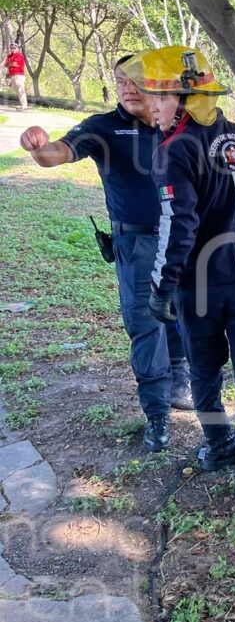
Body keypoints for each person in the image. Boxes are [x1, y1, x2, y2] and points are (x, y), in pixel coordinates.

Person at [123, 45, 235, 497]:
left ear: (186, 98)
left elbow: (178, 225)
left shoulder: (174, 150)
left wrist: (161, 286)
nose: (152, 106)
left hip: (199, 288)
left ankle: (217, 445)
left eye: (160, 96)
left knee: (204, 367)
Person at [18, 53, 193, 453]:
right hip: (137, 244)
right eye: (120, 81)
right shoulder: (104, 127)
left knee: (183, 312)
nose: (128, 89)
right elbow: (55, 154)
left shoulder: (182, 124)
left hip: (184, 240)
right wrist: (37, 144)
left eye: (137, 81)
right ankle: (157, 415)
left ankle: (181, 383)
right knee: (146, 325)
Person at [4, 43, 28, 111]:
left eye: (14, 48)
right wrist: (11, 64)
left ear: (17, 49)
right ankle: (22, 104)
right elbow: (6, 64)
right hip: (12, 75)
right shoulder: (9, 56)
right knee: (17, 90)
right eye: (11, 48)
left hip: (19, 75)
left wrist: (10, 64)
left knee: (20, 90)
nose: (13, 49)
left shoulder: (19, 55)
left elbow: (14, 64)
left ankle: (24, 105)